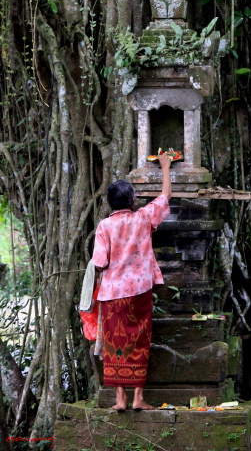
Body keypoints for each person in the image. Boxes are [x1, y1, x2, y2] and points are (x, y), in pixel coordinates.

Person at [92, 153, 172, 412]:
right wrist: (165, 167)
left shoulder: (104, 226)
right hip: (139, 292)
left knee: (115, 343)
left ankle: (120, 400)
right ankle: (138, 398)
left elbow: (100, 262)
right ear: (134, 200)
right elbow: (165, 197)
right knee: (139, 341)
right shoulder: (143, 218)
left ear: (110, 203)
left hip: (112, 294)